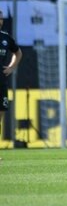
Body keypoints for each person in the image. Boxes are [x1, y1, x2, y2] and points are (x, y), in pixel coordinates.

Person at [0, 10, 23, 145]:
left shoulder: (5, 38)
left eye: (1, 18)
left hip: (1, 82)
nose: (0, 21)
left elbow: (18, 52)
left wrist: (12, 67)